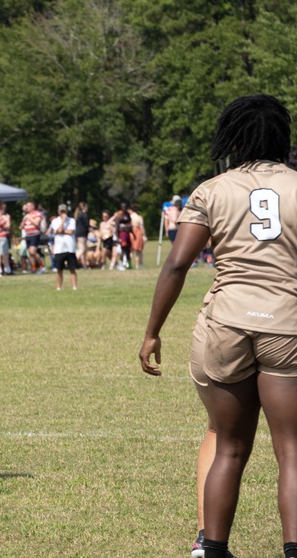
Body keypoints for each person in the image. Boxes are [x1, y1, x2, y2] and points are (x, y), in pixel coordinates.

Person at [139, 95, 297, 558]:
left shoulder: (212, 190)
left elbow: (177, 264)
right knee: (291, 449)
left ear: (233, 136)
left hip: (226, 323)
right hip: (287, 324)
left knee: (229, 445)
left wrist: (152, 331)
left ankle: (212, 548)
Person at [47, 203, 77, 291]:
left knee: (72, 269)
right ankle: (58, 287)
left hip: (70, 247)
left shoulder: (72, 220)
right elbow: (58, 230)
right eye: (61, 211)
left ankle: (74, 287)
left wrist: (61, 231)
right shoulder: (55, 221)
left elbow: (71, 231)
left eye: (64, 211)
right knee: (59, 269)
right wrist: (63, 221)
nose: (63, 213)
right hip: (59, 249)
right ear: (58, 212)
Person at [75, 202, 90, 268]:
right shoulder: (84, 215)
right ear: (84, 207)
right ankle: (74, 260)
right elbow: (86, 224)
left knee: (83, 250)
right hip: (82, 233)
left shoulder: (78, 215)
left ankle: (84, 265)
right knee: (83, 249)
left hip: (77, 233)